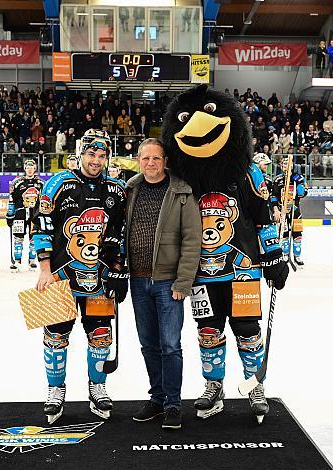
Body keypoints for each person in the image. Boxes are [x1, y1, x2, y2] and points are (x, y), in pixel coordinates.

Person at [160, 85, 289, 424]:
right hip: (201, 273)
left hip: (243, 270)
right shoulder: (184, 177)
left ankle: (254, 386)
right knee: (208, 330)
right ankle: (213, 385)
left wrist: (274, 256)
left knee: (247, 329)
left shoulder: (247, 173)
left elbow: (264, 217)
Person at [32, 129, 127, 424]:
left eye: (102, 155)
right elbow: (42, 224)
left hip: (99, 280)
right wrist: (45, 269)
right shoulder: (58, 183)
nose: (96, 161)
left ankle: (97, 387)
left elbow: (120, 234)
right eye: (91, 154)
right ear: (80, 154)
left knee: (100, 335)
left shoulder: (116, 189)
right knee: (55, 336)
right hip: (59, 277)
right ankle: (55, 390)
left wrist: (118, 272)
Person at [126, 138, 201, 430]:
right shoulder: (131, 188)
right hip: (138, 280)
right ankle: (156, 398)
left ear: (165, 160)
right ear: (138, 160)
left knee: (170, 345)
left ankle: (172, 403)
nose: (150, 164)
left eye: (156, 159)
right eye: (145, 159)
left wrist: (183, 281)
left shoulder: (182, 192)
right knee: (148, 344)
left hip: (169, 283)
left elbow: (192, 241)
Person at [268, 155, 308, 266]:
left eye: (287, 164)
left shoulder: (297, 177)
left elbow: (303, 193)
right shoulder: (277, 179)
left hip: (295, 211)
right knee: (284, 233)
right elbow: (273, 196)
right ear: (281, 166)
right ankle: (285, 254)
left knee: (297, 233)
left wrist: (299, 184)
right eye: (284, 164)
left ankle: (297, 256)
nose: (285, 166)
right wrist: (275, 209)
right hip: (283, 211)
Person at [7, 159, 43, 271]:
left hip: (35, 214)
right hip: (20, 213)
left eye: (32, 167)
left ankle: (32, 260)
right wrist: (9, 214)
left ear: (35, 169)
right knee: (18, 237)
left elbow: (45, 200)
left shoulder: (41, 183)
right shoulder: (17, 182)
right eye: (28, 167)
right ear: (24, 168)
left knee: (33, 237)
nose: (30, 169)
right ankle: (17, 260)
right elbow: (12, 199)